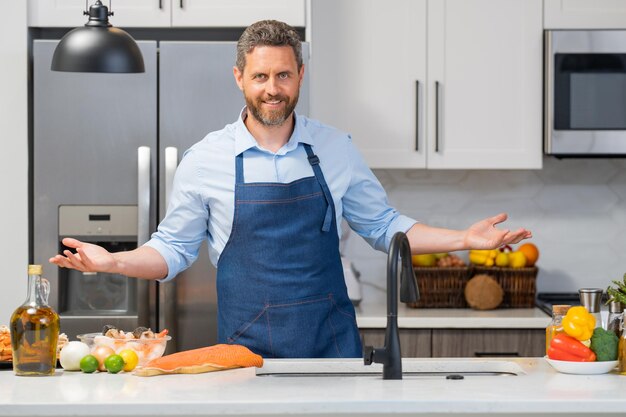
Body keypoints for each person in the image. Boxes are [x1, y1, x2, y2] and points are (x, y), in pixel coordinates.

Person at [50, 20, 531, 358]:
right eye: (260, 76)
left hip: (331, 349)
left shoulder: (335, 148)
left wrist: (466, 240)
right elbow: (173, 250)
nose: (272, 88)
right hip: (246, 354)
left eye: (283, 74)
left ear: (300, 75)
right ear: (239, 78)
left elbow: (385, 227)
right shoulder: (205, 160)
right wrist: (113, 261)